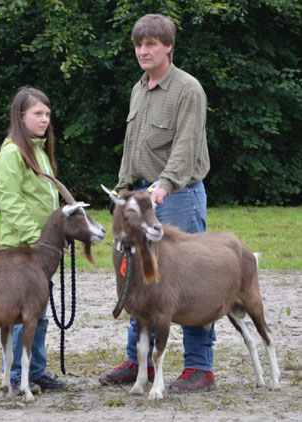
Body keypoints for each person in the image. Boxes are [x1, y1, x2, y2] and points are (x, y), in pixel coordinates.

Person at [99, 14, 215, 393]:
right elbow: (131, 147)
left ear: (169, 46)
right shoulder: (139, 89)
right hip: (137, 198)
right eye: (138, 44)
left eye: (151, 44)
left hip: (177, 197)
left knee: (188, 279)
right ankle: (139, 362)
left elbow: (185, 146)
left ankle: (200, 367)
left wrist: (163, 185)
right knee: (136, 277)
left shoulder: (188, 89)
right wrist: (121, 191)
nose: (143, 51)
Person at [0, 86, 67, 394]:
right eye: (37, 113)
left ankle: (35, 370)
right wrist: (35, 239)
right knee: (21, 314)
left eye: (47, 114)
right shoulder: (12, 152)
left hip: (39, 250)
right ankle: (14, 374)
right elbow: (9, 200)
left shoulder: (38, 151)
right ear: (20, 116)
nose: (44, 120)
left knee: (38, 313)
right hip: (21, 250)